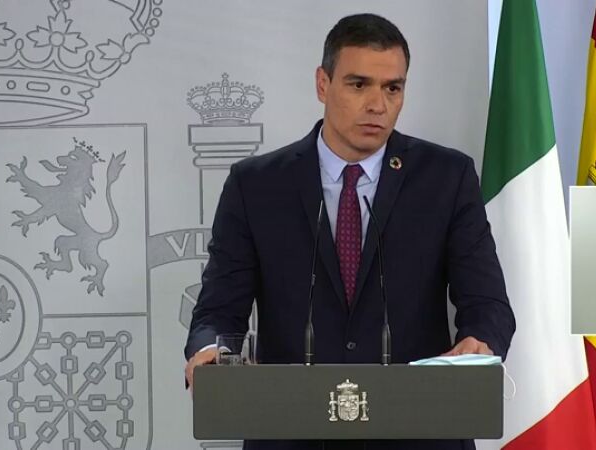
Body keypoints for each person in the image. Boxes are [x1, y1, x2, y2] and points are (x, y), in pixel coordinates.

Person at [185, 13, 515, 450]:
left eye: (392, 88)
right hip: (293, 433)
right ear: (323, 84)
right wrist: (209, 352)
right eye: (359, 85)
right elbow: (218, 311)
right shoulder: (257, 185)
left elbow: (488, 303)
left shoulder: (446, 178)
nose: (378, 105)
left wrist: (480, 342)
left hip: (417, 432)